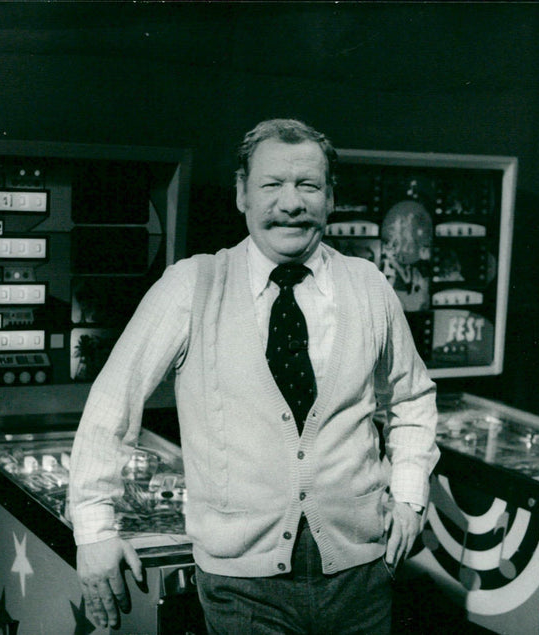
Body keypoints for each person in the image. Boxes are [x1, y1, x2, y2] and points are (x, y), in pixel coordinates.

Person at [68, 118, 440, 634]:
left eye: (308, 186)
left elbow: (413, 396)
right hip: (242, 590)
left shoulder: (369, 285)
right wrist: (92, 531)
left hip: (361, 578)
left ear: (330, 198)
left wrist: (409, 495)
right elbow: (112, 404)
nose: (291, 203)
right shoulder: (191, 286)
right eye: (271, 185)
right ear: (242, 193)